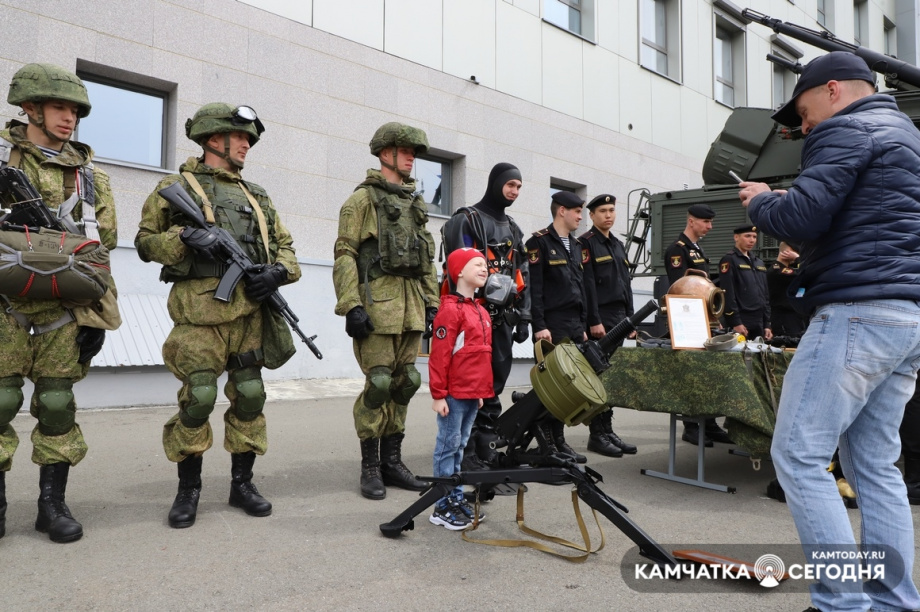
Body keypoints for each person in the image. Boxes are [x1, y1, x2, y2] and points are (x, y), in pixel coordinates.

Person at [739, 51, 920, 612]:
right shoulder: (905, 134)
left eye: (804, 109)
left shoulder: (846, 130)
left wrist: (763, 201)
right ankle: (894, 601)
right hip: (906, 314)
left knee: (797, 455)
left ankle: (840, 602)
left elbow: (801, 221)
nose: (803, 125)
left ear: (835, 90)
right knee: (875, 464)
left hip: (856, 312)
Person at [136, 103, 301, 528]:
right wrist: (185, 236)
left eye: (248, 138)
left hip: (250, 314)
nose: (247, 144)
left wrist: (277, 273)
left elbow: (286, 245)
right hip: (199, 314)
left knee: (249, 397)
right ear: (214, 139)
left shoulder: (257, 195)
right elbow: (145, 242)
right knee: (200, 398)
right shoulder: (176, 187)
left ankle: (241, 484)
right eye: (240, 136)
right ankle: (188, 489)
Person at [0, 64, 117, 543]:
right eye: (59, 108)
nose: (69, 118)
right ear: (30, 108)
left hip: (64, 311)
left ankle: (52, 506)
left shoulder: (90, 177)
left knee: (56, 404)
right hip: (4, 305)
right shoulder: (3, 163)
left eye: (74, 111)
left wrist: (99, 319)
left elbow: (101, 252)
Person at [332, 122, 440, 500]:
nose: (412, 157)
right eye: (404, 150)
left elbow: (427, 259)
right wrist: (350, 305)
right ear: (385, 154)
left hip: (410, 306)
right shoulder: (361, 201)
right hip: (377, 305)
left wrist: (432, 303)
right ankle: (371, 466)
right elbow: (344, 253)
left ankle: (393, 462)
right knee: (378, 384)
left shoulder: (414, 203)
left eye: (413, 152)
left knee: (405, 383)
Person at [440, 162, 530, 469]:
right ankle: (463, 454)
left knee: (494, 386)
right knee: (468, 386)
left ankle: (485, 447)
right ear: (496, 183)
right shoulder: (466, 221)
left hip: (501, 321)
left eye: (518, 186)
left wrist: (523, 315)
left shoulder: (514, 229)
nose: (514, 191)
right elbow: (458, 268)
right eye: (510, 185)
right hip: (471, 319)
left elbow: (522, 272)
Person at [428, 248, 493, 530]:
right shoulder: (449, 310)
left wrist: (479, 392)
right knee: (448, 445)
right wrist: (438, 394)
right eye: (477, 264)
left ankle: (454, 496)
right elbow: (440, 355)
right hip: (453, 394)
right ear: (459, 272)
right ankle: (441, 506)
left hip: (470, 393)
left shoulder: (480, 309)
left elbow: (479, 357)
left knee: (461, 445)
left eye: (486, 265)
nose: (484, 268)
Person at [525, 191, 588, 462]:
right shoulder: (538, 242)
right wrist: (539, 325)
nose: (580, 216)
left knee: (569, 387)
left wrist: (583, 325)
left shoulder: (576, 246)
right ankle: (545, 442)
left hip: (574, 325)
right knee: (551, 387)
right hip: (552, 325)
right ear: (562, 210)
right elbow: (534, 290)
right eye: (576, 211)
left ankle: (558, 438)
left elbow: (580, 288)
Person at [664, 204, 730, 447]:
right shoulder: (677, 250)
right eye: (706, 222)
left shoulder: (697, 249)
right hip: (687, 322)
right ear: (692, 221)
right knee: (692, 376)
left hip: (704, 321)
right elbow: (681, 290)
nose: (710, 227)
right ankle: (692, 426)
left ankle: (709, 423)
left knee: (708, 374)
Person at [579, 194, 636, 457]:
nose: (608, 215)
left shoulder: (618, 244)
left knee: (610, 377)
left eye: (612, 210)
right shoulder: (586, 244)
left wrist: (631, 318)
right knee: (598, 377)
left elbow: (626, 284)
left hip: (620, 318)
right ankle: (597, 434)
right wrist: (594, 321)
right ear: (591, 215)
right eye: (602, 211)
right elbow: (587, 286)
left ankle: (607, 430)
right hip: (601, 319)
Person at [718, 225, 772, 341]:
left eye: (754, 237)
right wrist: (735, 322)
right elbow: (727, 292)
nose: (751, 240)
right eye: (747, 236)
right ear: (736, 237)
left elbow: (765, 295)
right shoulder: (729, 259)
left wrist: (767, 324)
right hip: (742, 319)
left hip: (759, 320)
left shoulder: (759, 262)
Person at [766, 241, 807, 339]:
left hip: (794, 316)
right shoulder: (778, 270)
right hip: (784, 318)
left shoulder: (787, 269)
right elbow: (806, 273)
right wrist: (798, 259)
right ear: (788, 252)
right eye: (795, 252)